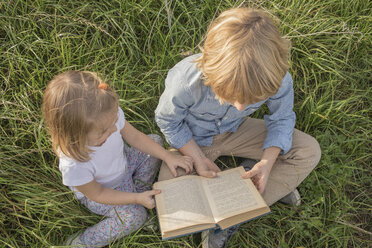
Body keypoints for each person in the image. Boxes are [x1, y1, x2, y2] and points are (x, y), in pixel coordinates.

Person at [155, 8, 321, 248]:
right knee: (171, 200)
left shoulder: (277, 77)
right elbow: (168, 122)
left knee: (308, 150)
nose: (241, 105)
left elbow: (282, 118)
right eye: (231, 97)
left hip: (237, 131)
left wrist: (266, 162)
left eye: (252, 99)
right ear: (211, 68)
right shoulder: (185, 81)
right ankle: (257, 191)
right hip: (190, 141)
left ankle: (236, 210)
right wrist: (198, 158)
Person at [42, 71, 193, 247]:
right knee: (135, 217)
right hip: (105, 191)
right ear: (76, 136)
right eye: (104, 132)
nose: (114, 129)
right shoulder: (74, 164)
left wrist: (167, 156)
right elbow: (98, 193)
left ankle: (140, 192)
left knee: (154, 142)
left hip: (124, 163)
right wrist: (134, 199)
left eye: (114, 121)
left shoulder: (106, 116)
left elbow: (135, 137)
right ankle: (84, 241)